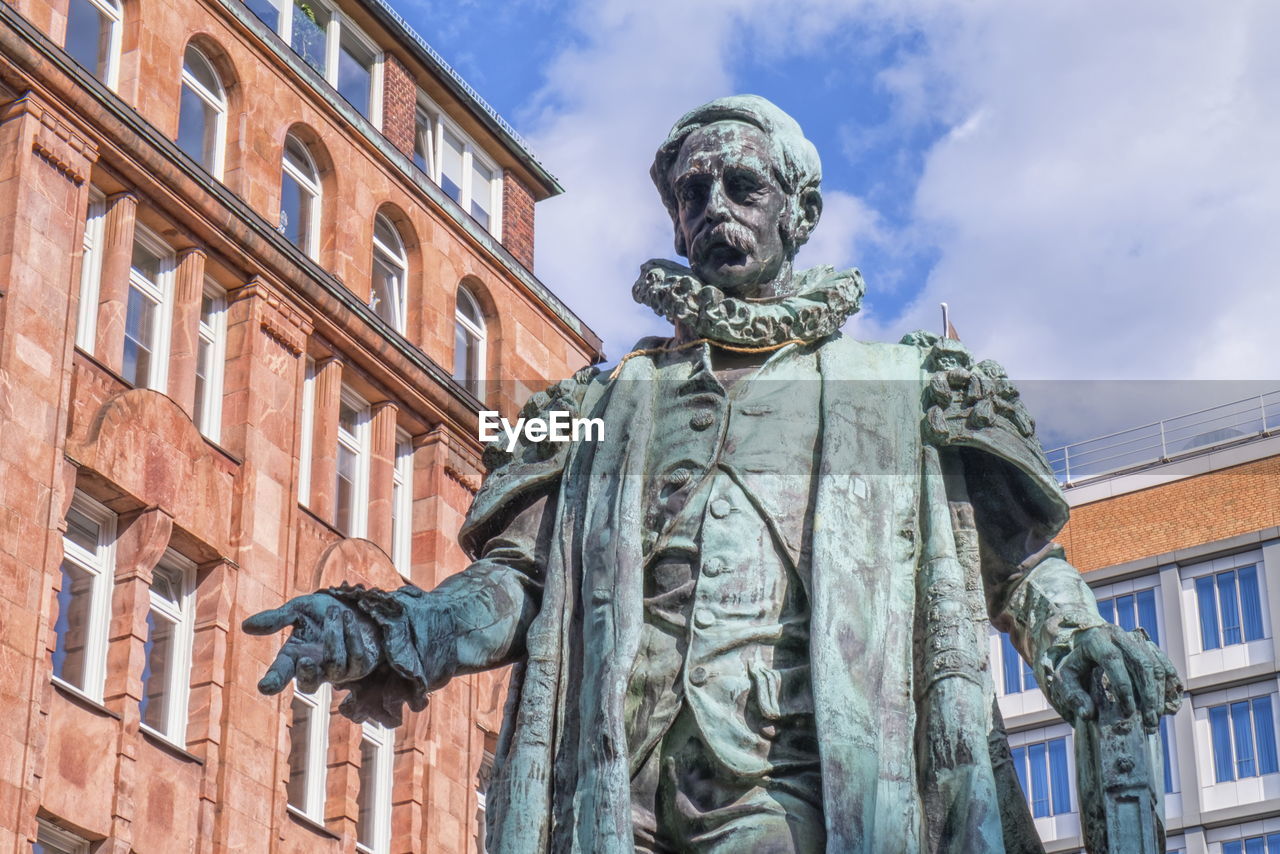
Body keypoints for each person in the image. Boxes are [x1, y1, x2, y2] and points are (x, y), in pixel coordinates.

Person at [245, 95, 1180, 853]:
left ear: (797, 212)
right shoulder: (600, 406)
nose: (715, 211)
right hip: (621, 784)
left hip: (792, 785)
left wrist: (1080, 642)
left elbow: (1015, 567)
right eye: (694, 195)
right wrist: (394, 630)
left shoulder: (900, 390)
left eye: (743, 186)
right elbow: (514, 583)